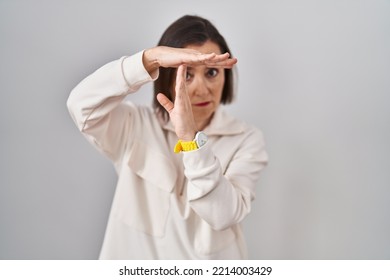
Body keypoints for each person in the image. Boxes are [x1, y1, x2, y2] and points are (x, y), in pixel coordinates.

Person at [67, 15, 268, 259]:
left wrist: (191, 140)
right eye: (187, 74)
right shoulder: (135, 124)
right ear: (166, 76)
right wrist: (149, 59)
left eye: (212, 72)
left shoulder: (246, 139)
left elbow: (222, 215)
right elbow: (81, 105)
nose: (201, 88)